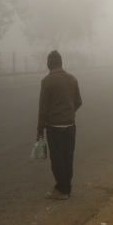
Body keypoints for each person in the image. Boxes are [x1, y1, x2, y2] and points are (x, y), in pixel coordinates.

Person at [37, 50, 82, 200]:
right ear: (61, 63)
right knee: (67, 158)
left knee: (57, 160)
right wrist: (69, 112)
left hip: (54, 127)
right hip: (70, 126)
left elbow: (43, 108)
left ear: (48, 65)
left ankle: (60, 190)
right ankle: (67, 188)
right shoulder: (72, 79)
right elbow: (78, 102)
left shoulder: (46, 81)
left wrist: (39, 130)